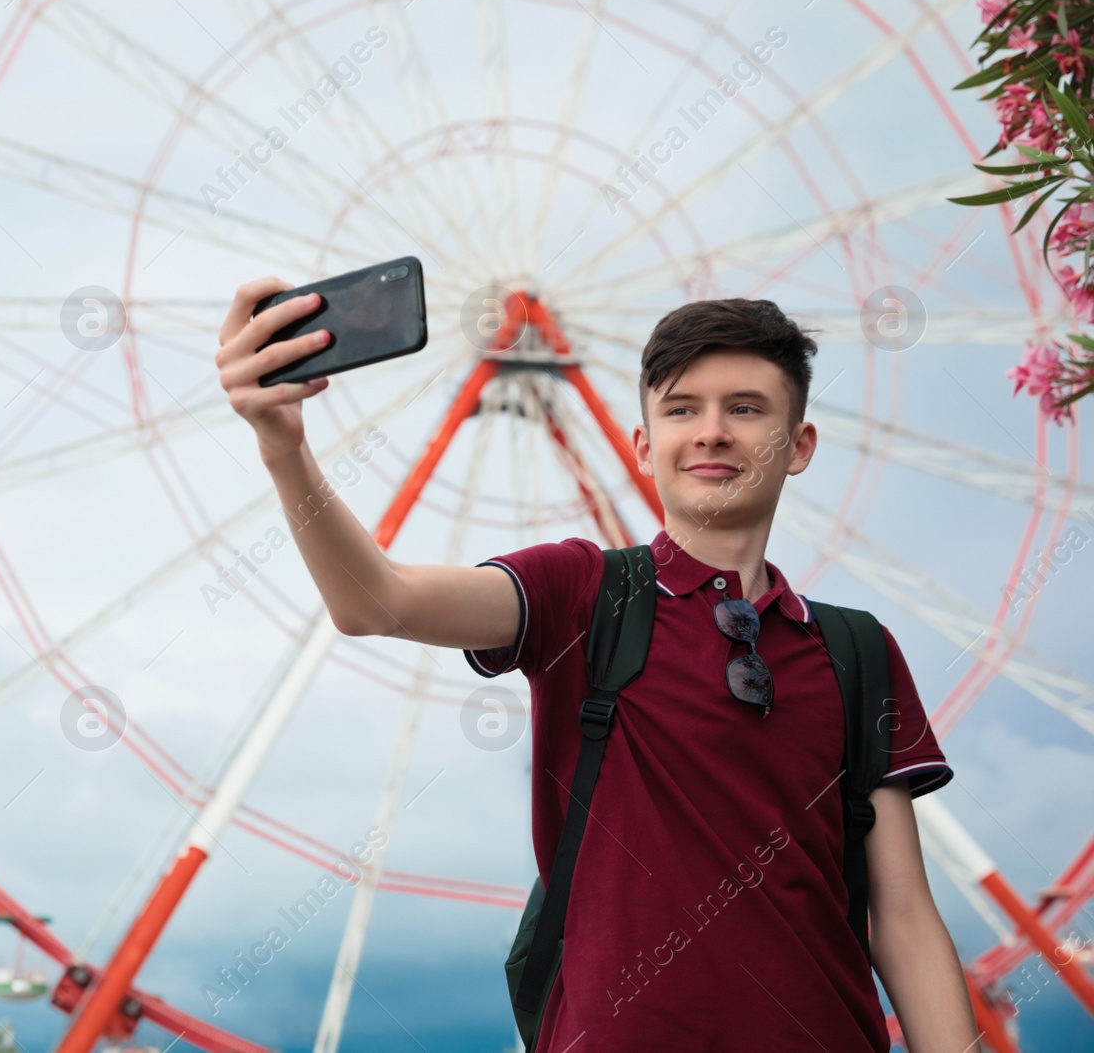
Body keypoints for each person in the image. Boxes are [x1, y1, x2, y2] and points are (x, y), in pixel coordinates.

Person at [214, 280, 979, 1052]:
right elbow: (377, 601)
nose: (711, 431)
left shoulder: (855, 650)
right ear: (645, 447)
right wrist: (284, 447)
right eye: (682, 409)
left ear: (800, 444)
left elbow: (902, 913)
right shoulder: (582, 594)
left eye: (746, 409)